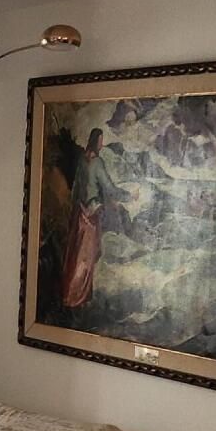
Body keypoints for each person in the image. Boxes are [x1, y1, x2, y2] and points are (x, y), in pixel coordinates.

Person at [59, 127, 123, 312]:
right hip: (91, 214)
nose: (102, 144)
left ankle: (73, 293)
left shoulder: (82, 160)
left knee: (76, 253)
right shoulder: (97, 163)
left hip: (79, 212)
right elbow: (109, 187)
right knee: (86, 256)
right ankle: (77, 296)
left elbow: (76, 187)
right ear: (95, 142)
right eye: (100, 141)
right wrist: (128, 195)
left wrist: (76, 208)